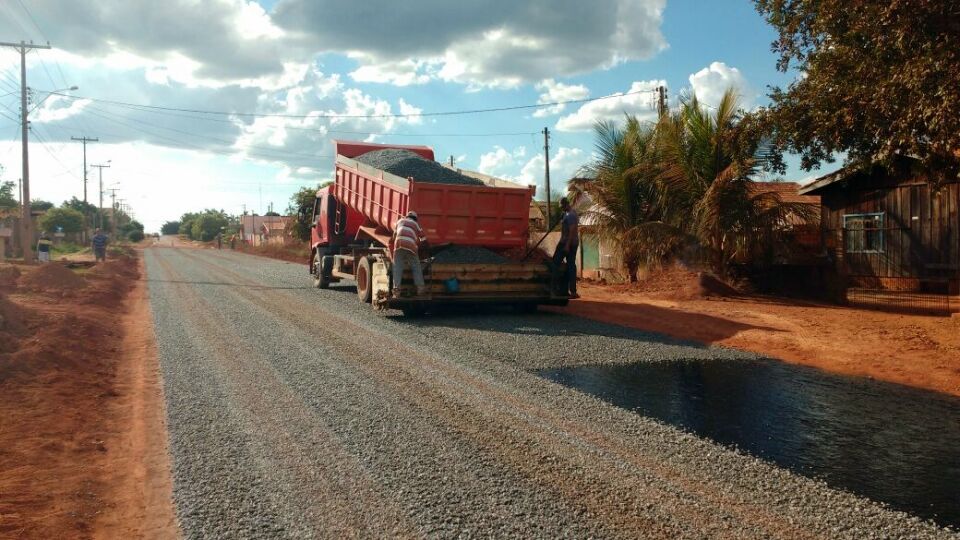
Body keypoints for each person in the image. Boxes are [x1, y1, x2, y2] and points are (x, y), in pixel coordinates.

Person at [391, 210, 428, 297]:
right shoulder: (415, 224)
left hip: (398, 245)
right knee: (416, 266)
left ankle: (396, 291)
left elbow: (393, 236)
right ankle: (420, 289)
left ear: (407, 216)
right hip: (410, 245)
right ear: (415, 218)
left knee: (397, 267)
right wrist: (423, 246)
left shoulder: (400, 221)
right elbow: (423, 238)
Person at [553, 197, 580, 298]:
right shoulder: (567, 214)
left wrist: (567, 245)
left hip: (567, 243)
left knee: (555, 263)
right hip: (570, 243)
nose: (561, 208)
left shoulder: (571, 215)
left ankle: (557, 289)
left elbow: (572, 231)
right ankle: (570, 291)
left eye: (562, 207)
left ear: (566, 205)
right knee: (570, 265)